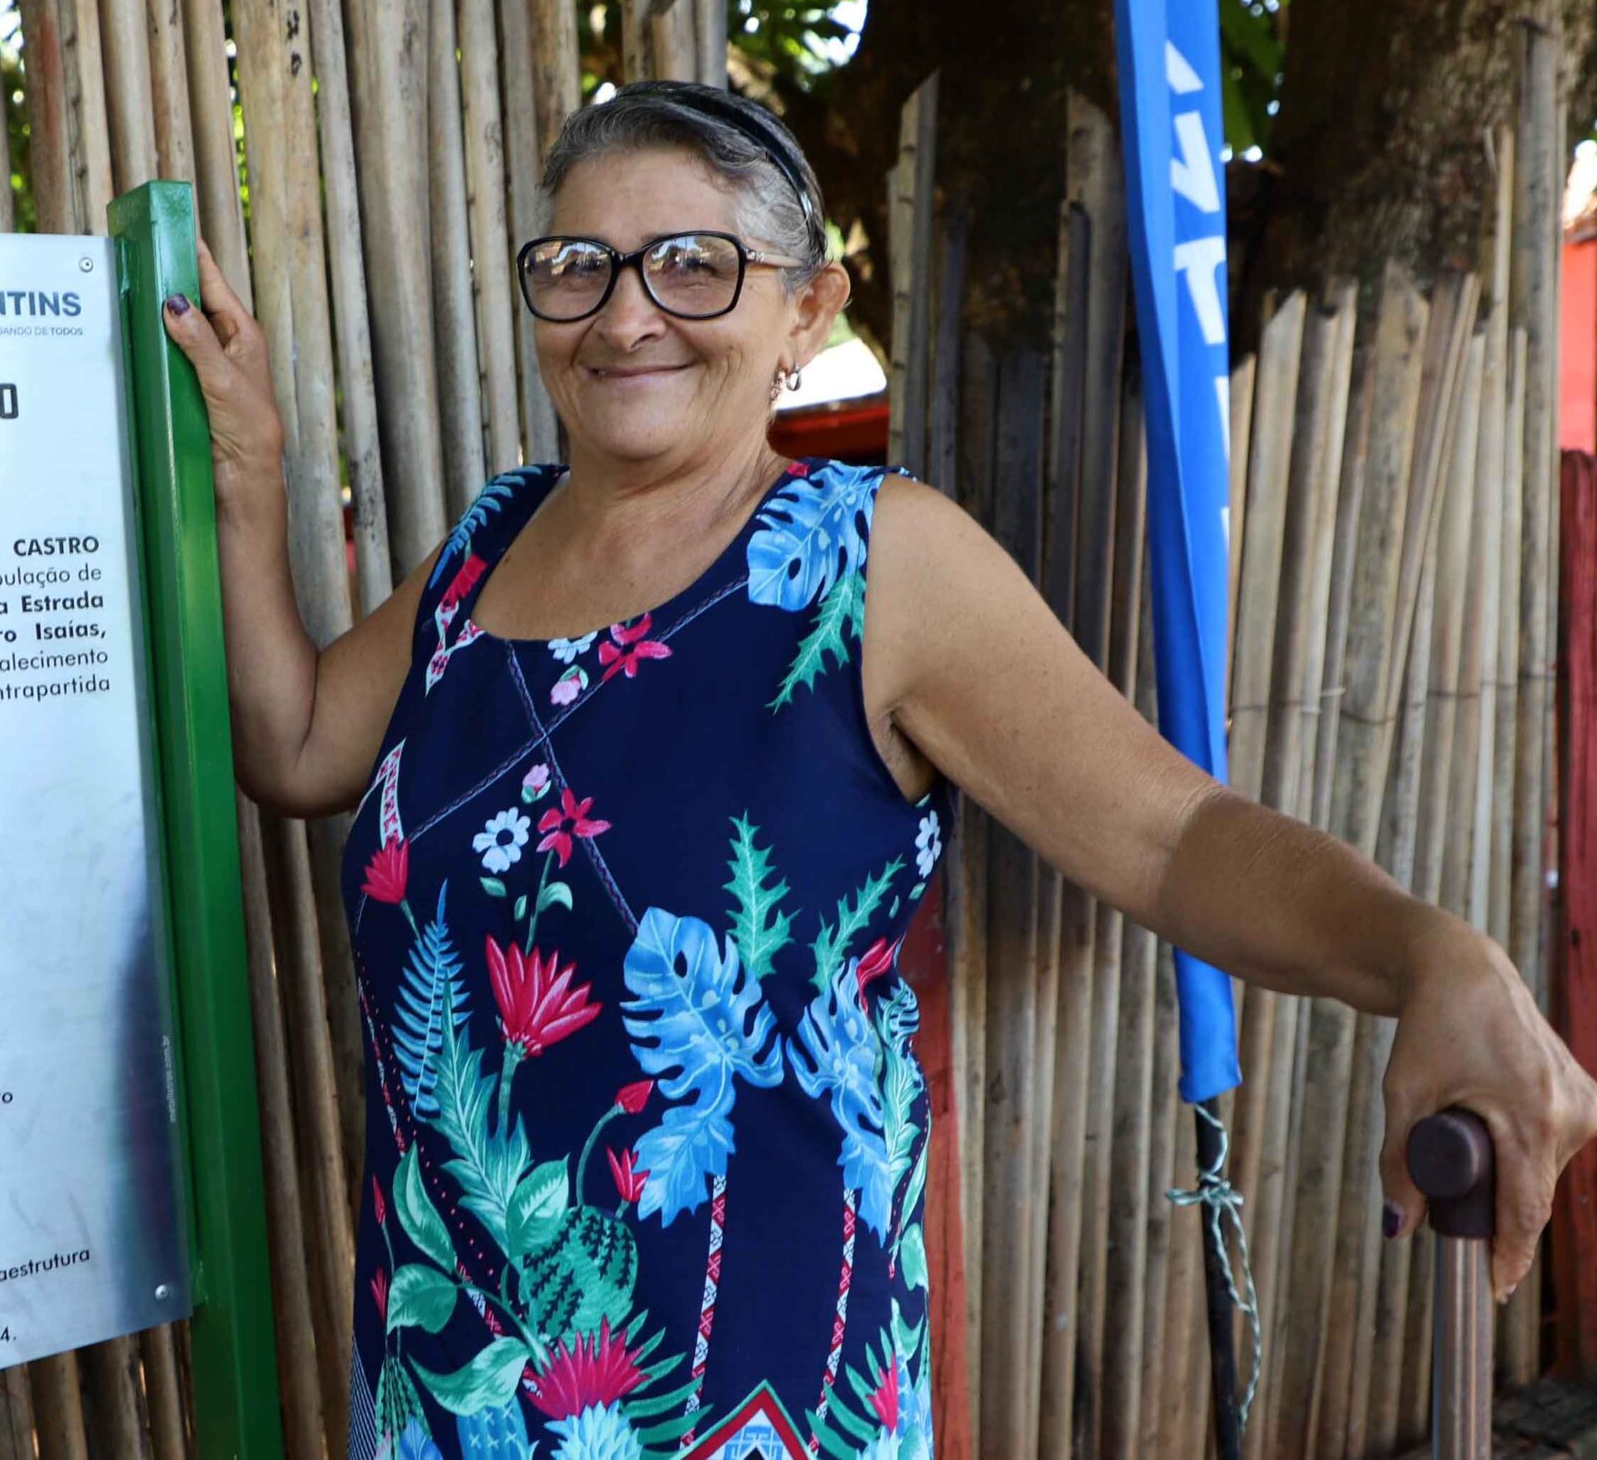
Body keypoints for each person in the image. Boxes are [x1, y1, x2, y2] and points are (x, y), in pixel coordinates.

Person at [161, 79, 1597, 1460]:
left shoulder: (873, 564)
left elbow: (1172, 841)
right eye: (579, 266)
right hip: (448, 1393)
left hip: (747, 1408)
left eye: (693, 265)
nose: (626, 314)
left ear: (806, 309)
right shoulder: (486, 553)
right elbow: (299, 743)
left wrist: (1425, 953)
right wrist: (248, 480)